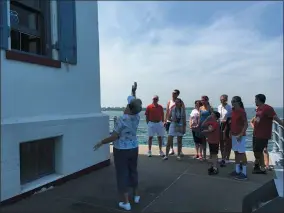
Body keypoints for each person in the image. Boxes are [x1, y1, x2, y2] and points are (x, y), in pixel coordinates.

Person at [93, 83, 142, 211]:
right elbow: (133, 101)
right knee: (133, 170)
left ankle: (126, 202)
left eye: (127, 105)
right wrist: (133, 91)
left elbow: (114, 136)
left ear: (129, 108)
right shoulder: (137, 117)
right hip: (134, 147)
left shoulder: (122, 119)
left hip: (121, 150)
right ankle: (136, 195)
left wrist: (101, 142)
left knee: (122, 173)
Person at [252, 94, 283, 174]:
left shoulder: (268, 108)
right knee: (256, 151)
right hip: (256, 133)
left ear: (259, 99)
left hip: (263, 134)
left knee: (259, 151)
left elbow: (276, 118)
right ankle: (259, 166)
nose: (254, 101)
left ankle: (260, 167)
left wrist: (282, 124)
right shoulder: (258, 109)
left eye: (255, 99)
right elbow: (257, 119)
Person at [230, 96, 248, 180]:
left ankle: (244, 173)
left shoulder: (242, 111)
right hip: (234, 135)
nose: (232, 102)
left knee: (242, 153)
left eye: (233, 101)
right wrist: (230, 132)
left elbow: (246, 124)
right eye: (231, 101)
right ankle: (237, 171)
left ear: (238, 102)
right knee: (236, 152)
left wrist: (241, 134)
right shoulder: (233, 111)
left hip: (240, 136)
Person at [201, 111, 221, 175]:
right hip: (210, 140)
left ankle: (215, 167)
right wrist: (207, 119)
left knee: (214, 154)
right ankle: (212, 166)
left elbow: (211, 130)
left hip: (215, 141)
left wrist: (205, 131)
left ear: (215, 116)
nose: (210, 115)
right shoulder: (210, 122)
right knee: (211, 154)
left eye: (212, 115)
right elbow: (202, 125)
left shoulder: (216, 123)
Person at [196, 95, 213, 161]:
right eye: (202, 100)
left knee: (210, 142)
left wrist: (211, 126)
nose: (203, 101)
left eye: (204, 100)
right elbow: (200, 117)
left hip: (208, 126)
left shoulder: (210, 108)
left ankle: (211, 156)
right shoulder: (200, 108)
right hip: (202, 126)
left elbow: (212, 117)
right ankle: (204, 156)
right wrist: (198, 125)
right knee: (203, 142)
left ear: (207, 100)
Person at [217, 94, 232, 167]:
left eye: (223, 99)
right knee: (221, 142)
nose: (222, 100)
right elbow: (218, 117)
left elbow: (231, 118)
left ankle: (227, 158)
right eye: (221, 99)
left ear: (226, 99)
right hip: (220, 125)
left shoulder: (229, 107)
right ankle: (223, 158)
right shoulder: (219, 107)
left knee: (227, 142)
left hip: (227, 125)